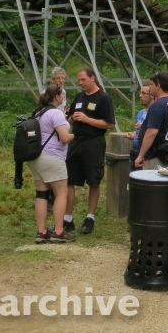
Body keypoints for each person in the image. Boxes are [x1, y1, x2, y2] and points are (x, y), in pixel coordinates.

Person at [64, 67, 116, 235]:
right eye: (79, 80)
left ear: (92, 78)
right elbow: (70, 118)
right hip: (76, 142)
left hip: (94, 143)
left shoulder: (103, 98)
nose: (80, 83)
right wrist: (71, 118)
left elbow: (110, 124)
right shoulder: (79, 97)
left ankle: (90, 217)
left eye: (83, 80)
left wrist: (88, 119)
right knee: (69, 180)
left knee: (94, 180)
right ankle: (67, 218)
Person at [27, 83, 75, 243]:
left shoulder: (39, 112)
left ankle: (41, 232)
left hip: (36, 157)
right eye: (62, 95)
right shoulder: (55, 113)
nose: (64, 97)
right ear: (57, 97)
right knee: (61, 193)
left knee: (41, 194)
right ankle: (59, 231)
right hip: (53, 157)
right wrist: (74, 135)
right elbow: (64, 137)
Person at [134, 71, 168, 169]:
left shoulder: (157, 106)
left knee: (154, 183)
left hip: (156, 156)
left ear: (158, 86)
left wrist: (140, 155)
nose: (150, 87)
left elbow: (151, 133)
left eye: (151, 84)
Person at [126, 84, 154, 165]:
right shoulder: (140, 113)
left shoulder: (155, 114)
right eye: (140, 93)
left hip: (147, 155)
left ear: (152, 95)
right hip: (135, 152)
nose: (140, 96)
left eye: (144, 93)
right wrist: (133, 134)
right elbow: (138, 131)